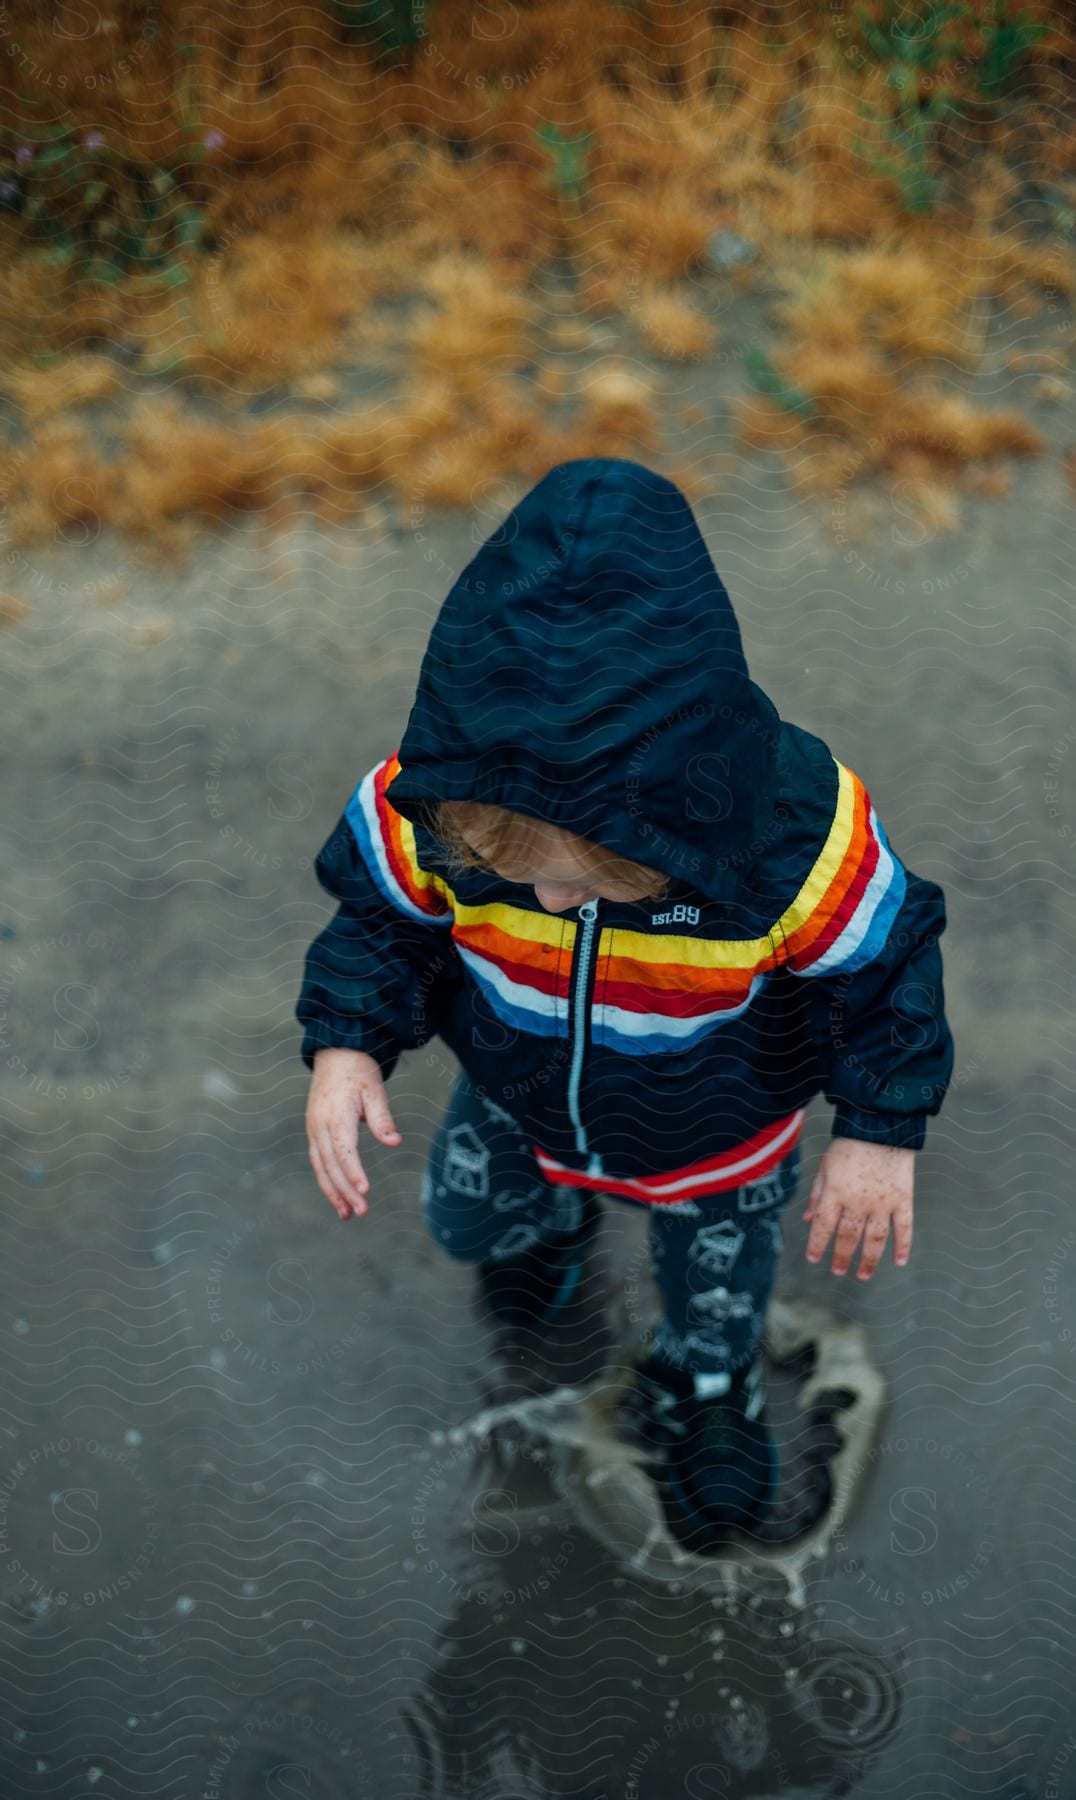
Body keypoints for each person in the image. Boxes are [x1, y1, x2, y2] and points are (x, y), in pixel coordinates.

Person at [296, 456, 954, 1549]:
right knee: (471, 1222)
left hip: (717, 1132)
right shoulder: (431, 809)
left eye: (594, 881)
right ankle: (547, 1237)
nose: (551, 896)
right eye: (519, 873)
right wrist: (347, 1045)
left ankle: (704, 1390)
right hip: (514, 1090)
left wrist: (878, 1129)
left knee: (716, 1284)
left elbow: (885, 973)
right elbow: (380, 923)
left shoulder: (790, 843)